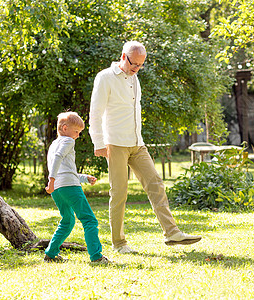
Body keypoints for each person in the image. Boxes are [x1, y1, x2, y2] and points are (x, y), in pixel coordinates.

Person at [89, 41, 201, 253]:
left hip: (137, 143)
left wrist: (138, 139)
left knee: (156, 184)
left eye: (141, 65)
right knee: (119, 193)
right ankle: (119, 243)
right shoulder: (105, 77)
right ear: (124, 57)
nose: (137, 68)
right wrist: (99, 143)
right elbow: (95, 113)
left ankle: (171, 233)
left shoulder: (135, 79)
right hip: (115, 143)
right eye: (134, 63)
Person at [45, 111, 111, 264]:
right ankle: (96, 257)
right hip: (68, 187)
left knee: (67, 220)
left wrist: (83, 178)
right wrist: (51, 179)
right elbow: (58, 159)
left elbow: (65, 169)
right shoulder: (68, 141)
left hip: (58, 189)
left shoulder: (54, 144)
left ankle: (51, 253)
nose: (77, 135)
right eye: (76, 132)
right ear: (65, 128)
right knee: (89, 220)